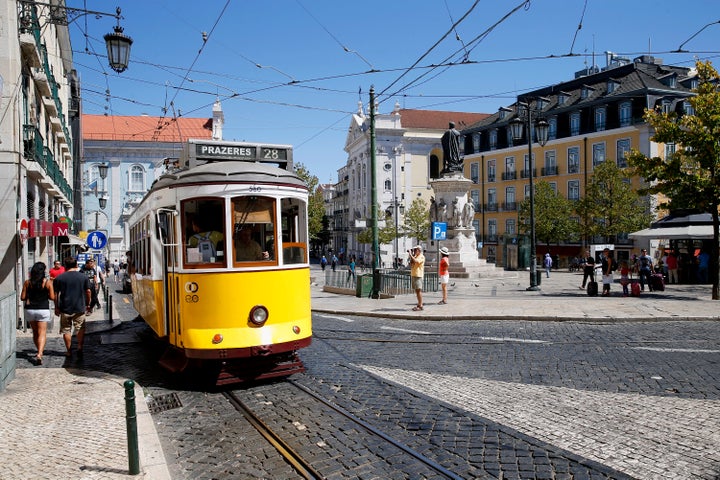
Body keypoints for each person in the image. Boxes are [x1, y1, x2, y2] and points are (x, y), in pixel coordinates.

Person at [53, 257, 92, 359]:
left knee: (66, 330)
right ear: (76, 265)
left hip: (65, 307)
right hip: (79, 306)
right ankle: (79, 347)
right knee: (80, 328)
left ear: (65, 266)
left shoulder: (59, 278)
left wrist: (56, 307)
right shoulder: (83, 277)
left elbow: (56, 294)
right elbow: (88, 291)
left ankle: (69, 351)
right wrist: (88, 304)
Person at [20, 262, 55, 365]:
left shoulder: (27, 282)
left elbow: (22, 297)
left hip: (30, 309)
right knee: (42, 332)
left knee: (35, 332)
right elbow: (52, 297)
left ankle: (38, 350)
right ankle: (40, 353)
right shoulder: (47, 282)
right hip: (43, 309)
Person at [408, 246, 425, 311]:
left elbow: (417, 262)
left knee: (419, 290)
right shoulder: (415, 256)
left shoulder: (421, 256)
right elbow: (411, 264)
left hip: (418, 275)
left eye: (415, 250)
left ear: (419, 250)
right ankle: (419, 304)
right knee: (417, 291)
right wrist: (411, 256)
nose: (414, 251)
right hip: (414, 274)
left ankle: (420, 305)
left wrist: (410, 254)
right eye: (414, 250)